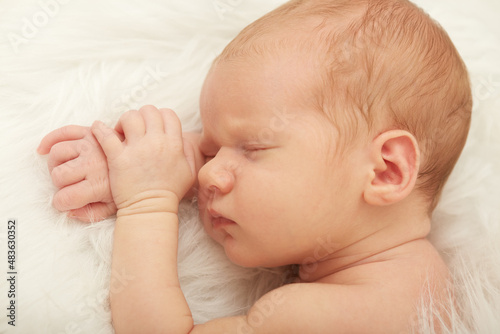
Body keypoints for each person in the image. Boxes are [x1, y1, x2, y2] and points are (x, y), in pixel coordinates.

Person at [37, 0, 472, 332]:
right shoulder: (413, 283)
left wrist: (147, 202)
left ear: (385, 172)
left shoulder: (314, 316)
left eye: (253, 148)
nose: (207, 173)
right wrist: (151, 161)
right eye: (210, 152)